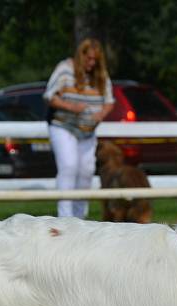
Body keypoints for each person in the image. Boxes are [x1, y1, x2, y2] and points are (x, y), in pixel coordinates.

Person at [44, 38, 115, 218]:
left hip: (88, 130)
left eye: (95, 60)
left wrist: (100, 115)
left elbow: (109, 102)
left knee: (86, 171)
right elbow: (49, 96)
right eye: (89, 59)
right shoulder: (65, 69)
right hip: (63, 125)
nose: (91, 63)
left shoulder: (101, 75)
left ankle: (79, 217)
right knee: (69, 165)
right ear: (81, 55)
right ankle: (65, 218)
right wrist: (71, 107)